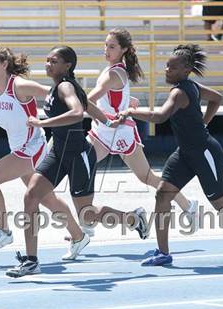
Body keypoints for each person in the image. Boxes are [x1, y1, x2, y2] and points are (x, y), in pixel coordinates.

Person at [119, 44, 223, 266]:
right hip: (185, 154)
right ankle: (163, 252)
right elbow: (216, 98)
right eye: (166, 66)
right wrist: (204, 122)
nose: (166, 70)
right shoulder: (190, 86)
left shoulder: (180, 92)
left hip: (204, 152)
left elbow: (159, 117)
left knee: (222, 205)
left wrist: (130, 112)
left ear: (186, 69)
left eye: (171, 67)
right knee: (162, 195)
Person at [6, 46, 149, 278]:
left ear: (67, 66)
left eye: (54, 61)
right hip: (58, 154)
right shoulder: (61, 87)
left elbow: (76, 112)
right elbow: (88, 105)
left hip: (79, 155)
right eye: (47, 60)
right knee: (31, 196)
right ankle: (31, 261)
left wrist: (42, 124)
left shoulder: (65, 86)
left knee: (86, 215)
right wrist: (107, 121)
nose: (48, 64)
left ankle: (133, 218)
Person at [84, 28, 199, 238]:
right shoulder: (115, 70)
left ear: (123, 49)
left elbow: (87, 100)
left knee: (145, 177)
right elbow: (113, 99)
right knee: (82, 167)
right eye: (105, 45)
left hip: (118, 132)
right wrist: (127, 102)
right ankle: (87, 220)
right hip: (104, 131)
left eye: (112, 47)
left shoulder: (113, 73)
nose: (106, 50)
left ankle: (188, 205)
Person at [0, 45, 89, 251]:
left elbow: (61, 94)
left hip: (32, 148)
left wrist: (99, 114)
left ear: (5, 65)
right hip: (19, 148)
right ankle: (79, 236)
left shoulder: (19, 86)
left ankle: (4, 232)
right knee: (47, 199)